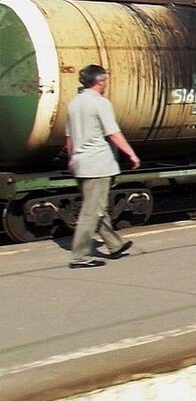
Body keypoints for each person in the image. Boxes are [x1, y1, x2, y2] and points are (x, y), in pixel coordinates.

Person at [65, 65, 139, 268]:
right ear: (100, 81)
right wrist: (131, 154)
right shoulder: (100, 103)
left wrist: (72, 159)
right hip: (97, 163)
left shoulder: (74, 103)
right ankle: (79, 256)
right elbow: (113, 133)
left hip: (81, 163)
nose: (106, 83)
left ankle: (115, 245)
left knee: (97, 207)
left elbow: (69, 137)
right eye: (105, 79)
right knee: (92, 211)